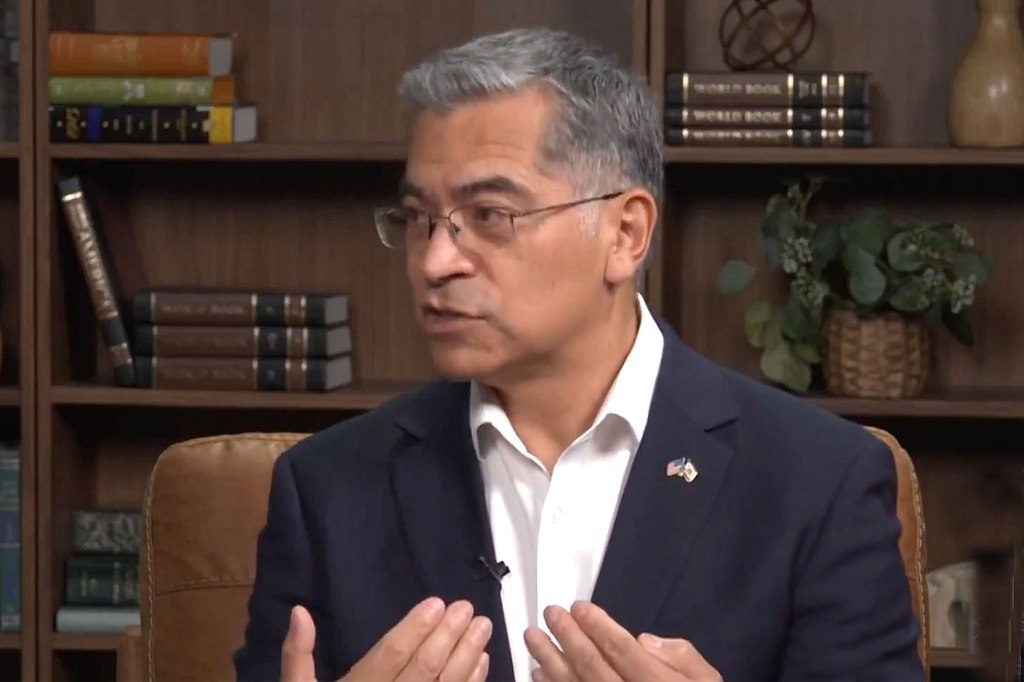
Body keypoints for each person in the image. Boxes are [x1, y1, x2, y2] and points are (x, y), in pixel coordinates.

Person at [234, 27, 924, 682]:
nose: (436, 261)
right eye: (419, 220)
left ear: (625, 234)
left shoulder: (816, 482)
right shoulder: (326, 490)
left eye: (490, 216)